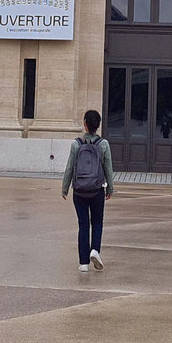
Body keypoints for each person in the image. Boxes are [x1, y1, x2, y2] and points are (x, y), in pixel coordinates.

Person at [61, 109, 114, 273]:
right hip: (96, 189)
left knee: (83, 225)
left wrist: (65, 188)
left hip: (79, 190)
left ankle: (83, 262)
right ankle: (95, 250)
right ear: (98, 126)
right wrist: (110, 188)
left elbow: (70, 167)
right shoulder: (103, 144)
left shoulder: (76, 144)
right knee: (97, 222)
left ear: (84, 124)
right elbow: (108, 168)